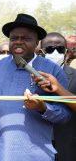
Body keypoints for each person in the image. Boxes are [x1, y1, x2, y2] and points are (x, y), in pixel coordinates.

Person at [0, 13, 71, 161]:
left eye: (25, 38)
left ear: (37, 42)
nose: (18, 42)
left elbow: (65, 115)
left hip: (36, 155)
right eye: (14, 38)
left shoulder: (53, 71)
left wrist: (43, 108)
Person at [40, 32, 76, 161]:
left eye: (59, 49)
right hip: (37, 145)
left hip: (67, 145)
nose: (55, 53)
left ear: (66, 52)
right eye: (50, 49)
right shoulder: (29, 75)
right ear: (41, 51)